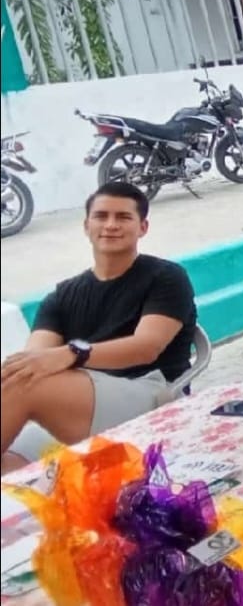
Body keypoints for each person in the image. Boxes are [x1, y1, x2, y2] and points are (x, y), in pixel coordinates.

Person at [0, 183, 196, 473]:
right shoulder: (62, 295)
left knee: (25, 383)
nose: (111, 225)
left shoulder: (166, 277)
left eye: (123, 217)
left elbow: (146, 347)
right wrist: (35, 364)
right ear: (86, 225)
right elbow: (34, 359)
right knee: (10, 460)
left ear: (142, 227)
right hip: (81, 403)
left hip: (151, 393)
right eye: (101, 216)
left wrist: (71, 354)